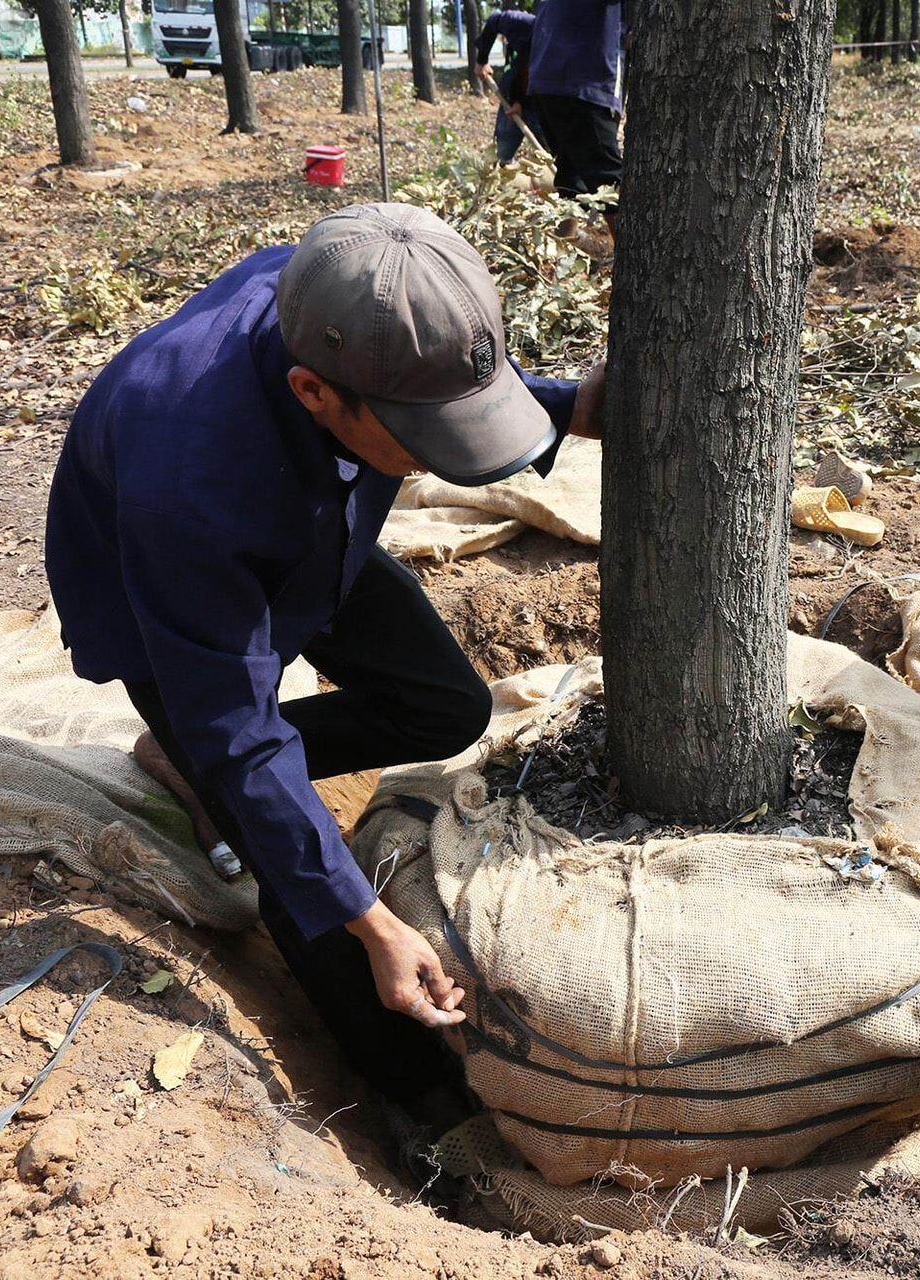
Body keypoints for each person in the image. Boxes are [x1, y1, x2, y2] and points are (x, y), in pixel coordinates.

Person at [45, 203, 606, 1129]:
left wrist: (559, 407)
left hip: (317, 518)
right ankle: (420, 1107)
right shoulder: (190, 489)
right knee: (293, 867)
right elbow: (242, 730)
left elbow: (435, 383)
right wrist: (374, 922)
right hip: (173, 594)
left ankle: (183, 761)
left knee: (446, 705)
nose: (442, 460)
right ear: (314, 394)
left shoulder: (360, 294)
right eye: (424, 440)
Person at [525, 0, 624, 204]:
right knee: (609, 183)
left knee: (571, 176)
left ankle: (567, 236)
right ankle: (629, 237)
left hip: (547, 84)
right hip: (583, 83)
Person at [472, 0, 547, 166]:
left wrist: (523, 102)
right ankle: (502, 174)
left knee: (550, 152)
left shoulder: (563, 46)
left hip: (542, 100)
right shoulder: (522, 23)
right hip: (511, 93)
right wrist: (481, 61)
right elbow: (494, 20)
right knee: (502, 152)